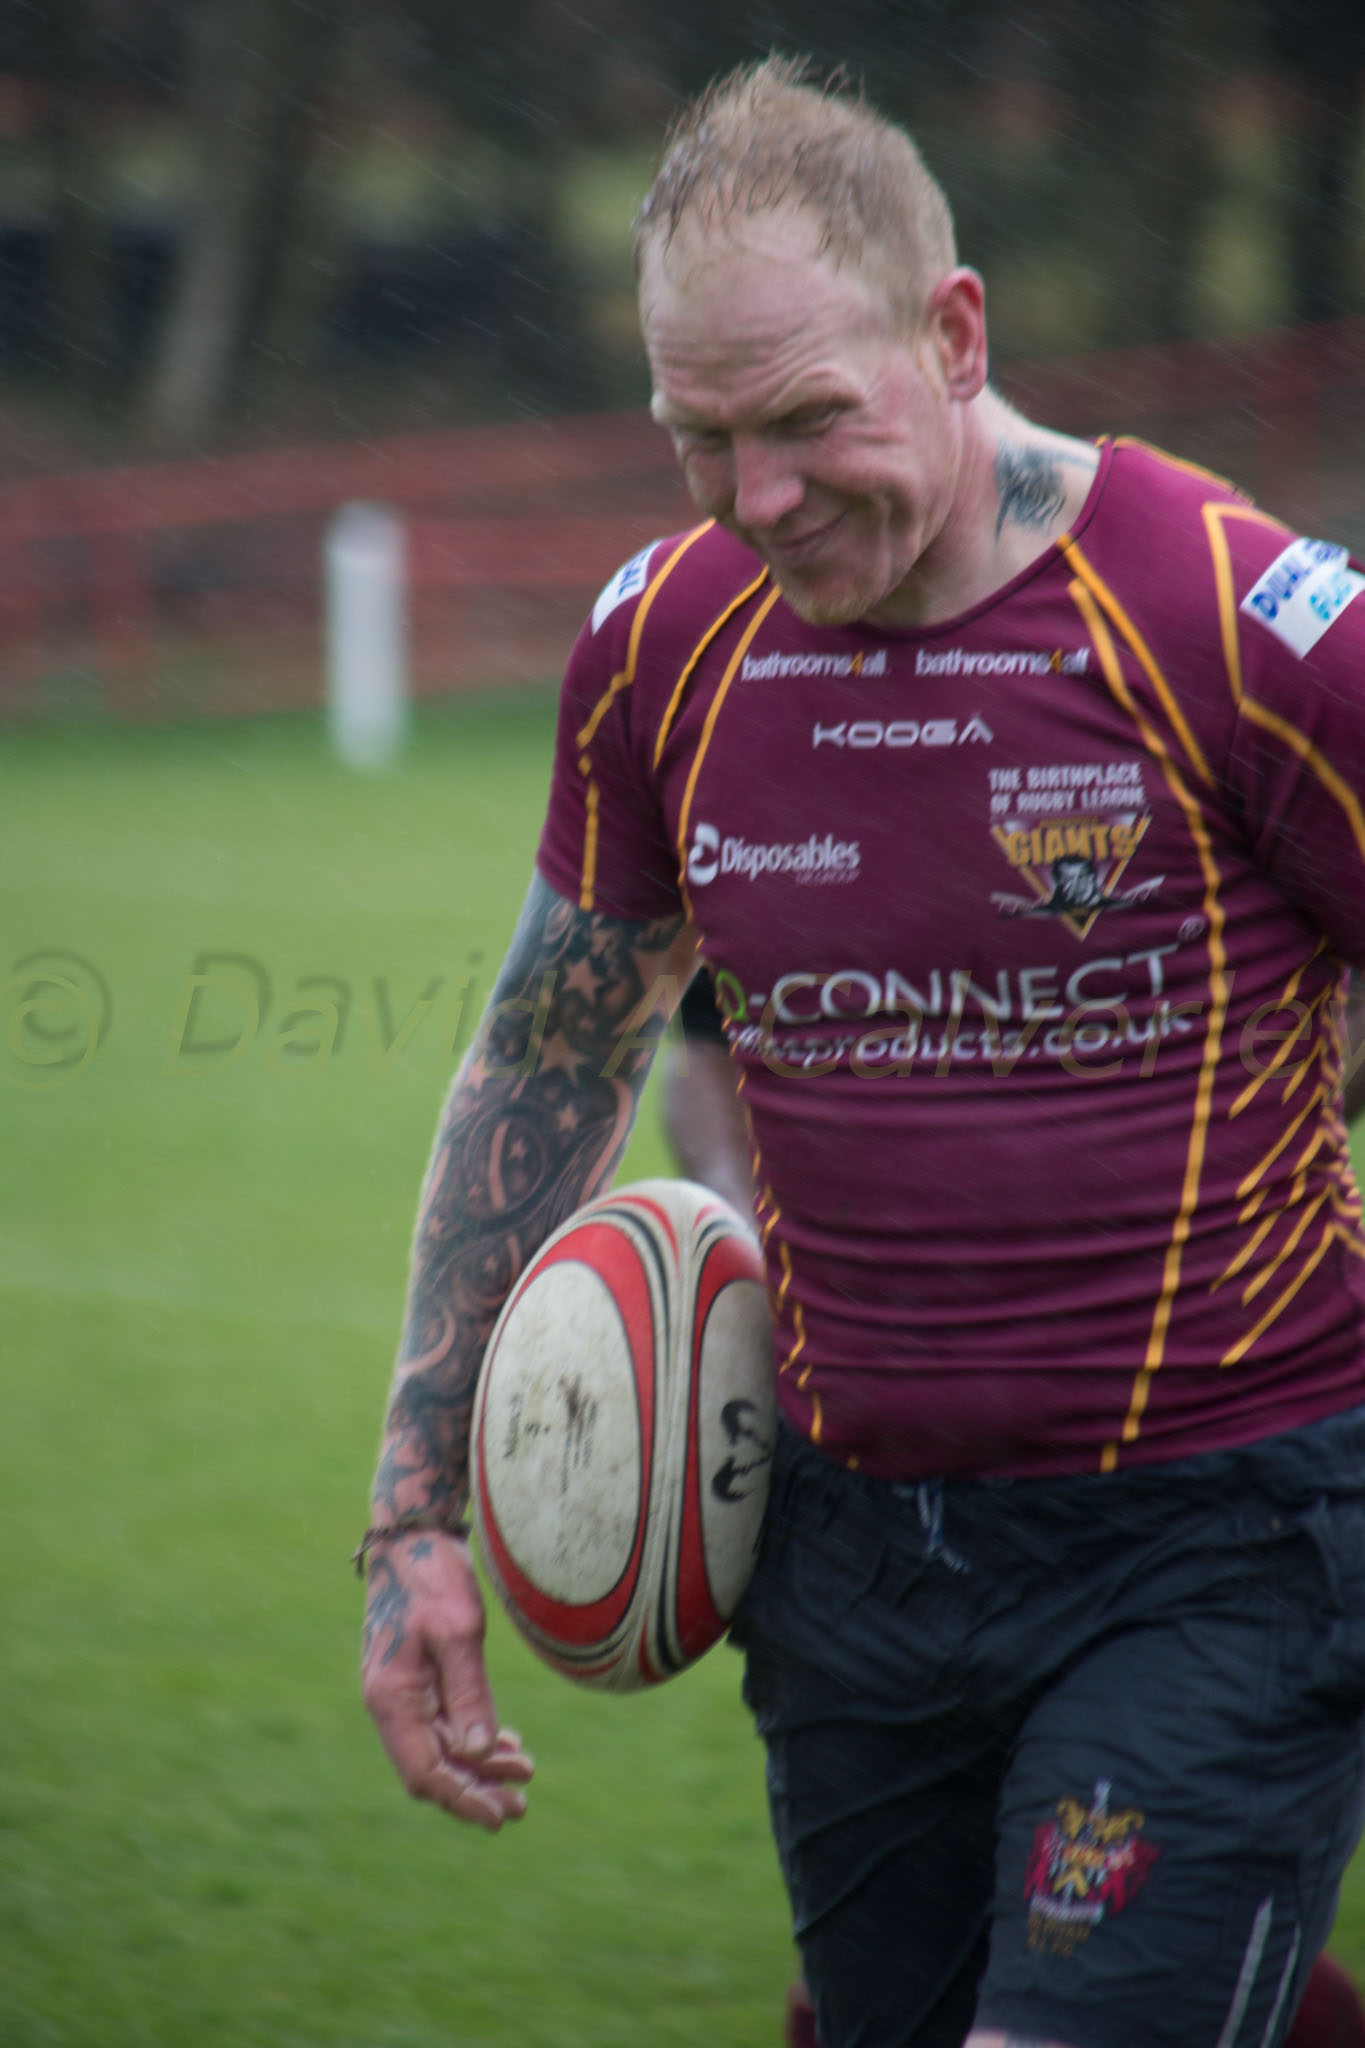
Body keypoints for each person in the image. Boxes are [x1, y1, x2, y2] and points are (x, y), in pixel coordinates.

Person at [360, 54, 1365, 2048]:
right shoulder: (661, 646)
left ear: (953, 332)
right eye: (699, 438)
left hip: (1218, 1540)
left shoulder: (1234, 618)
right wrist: (411, 1517)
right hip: (845, 1565)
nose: (758, 497)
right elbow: (550, 1057)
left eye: (809, 419)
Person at [665, 968, 1365, 2048]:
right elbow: (703, 1049)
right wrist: (747, 1237)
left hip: (1201, 1512)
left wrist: (1215, 1108)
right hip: (869, 1530)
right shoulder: (758, 859)